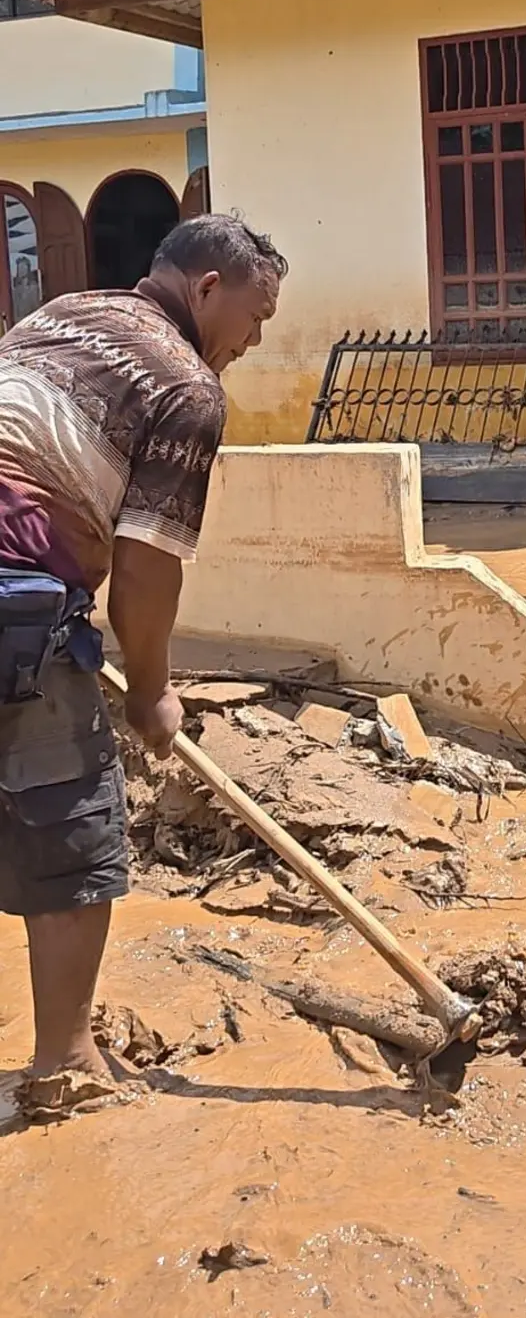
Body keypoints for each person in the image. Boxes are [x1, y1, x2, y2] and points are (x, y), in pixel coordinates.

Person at [0, 213, 285, 1113]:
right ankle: (64, 1067)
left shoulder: (60, 313)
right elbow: (148, 567)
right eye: (256, 316)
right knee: (72, 821)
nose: (254, 339)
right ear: (207, 289)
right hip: (16, 587)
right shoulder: (188, 386)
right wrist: (154, 693)